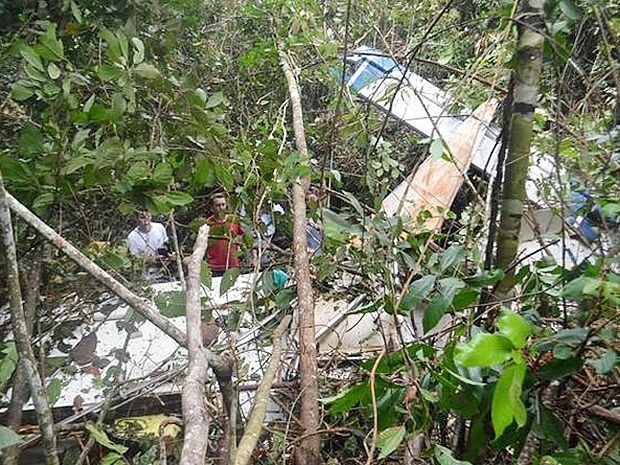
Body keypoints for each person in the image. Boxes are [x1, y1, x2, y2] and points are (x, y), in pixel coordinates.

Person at [205, 193, 245, 276]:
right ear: (212, 208)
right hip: (214, 267)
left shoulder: (234, 219)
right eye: (218, 205)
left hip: (233, 265)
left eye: (223, 204)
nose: (221, 208)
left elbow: (244, 237)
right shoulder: (207, 224)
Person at [126, 210, 176, 277]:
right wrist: (151, 260)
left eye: (148, 217)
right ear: (136, 219)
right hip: (147, 274)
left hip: (165, 269)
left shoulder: (159, 227)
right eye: (142, 218)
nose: (146, 222)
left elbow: (166, 244)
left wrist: (170, 255)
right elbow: (135, 261)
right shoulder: (132, 237)